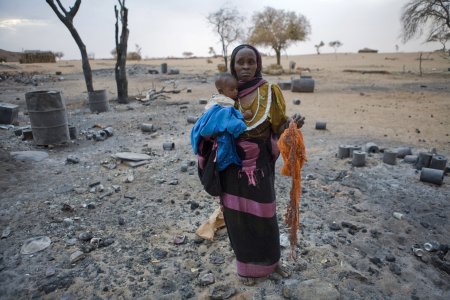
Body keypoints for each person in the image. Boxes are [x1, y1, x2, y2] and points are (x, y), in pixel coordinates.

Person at [220, 44, 305, 285]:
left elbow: (279, 127)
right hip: (231, 168)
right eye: (240, 62)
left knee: (265, 215)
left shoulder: (269, 91)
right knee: (238, 219)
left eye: (250, 62)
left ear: (258, 64)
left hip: (260, 167)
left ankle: (272, 262)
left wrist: (291, 126)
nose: (245, 67)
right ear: (232, 65)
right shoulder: (226, 93)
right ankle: (246, 268)